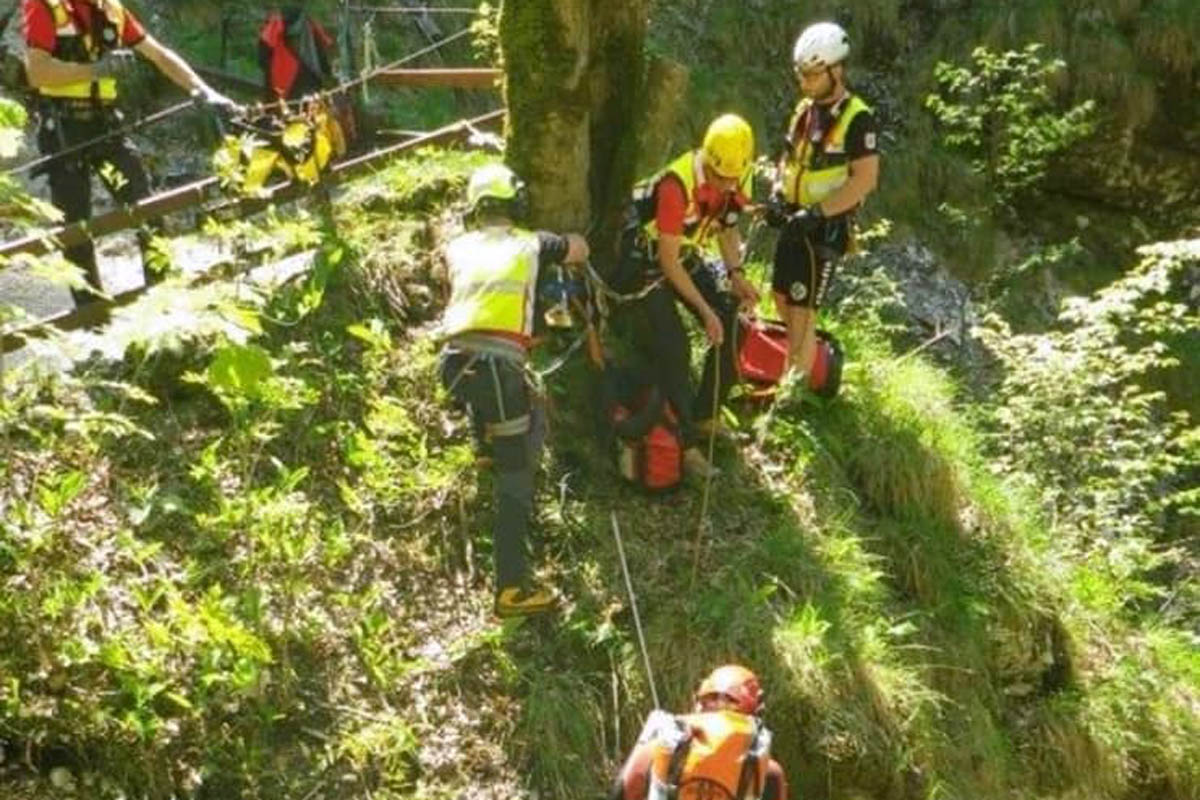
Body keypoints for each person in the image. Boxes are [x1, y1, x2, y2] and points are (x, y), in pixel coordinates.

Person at [437, 163, 589, 618]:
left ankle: (482, 443)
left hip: (452, 364)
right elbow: (580, 249)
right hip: (496, 371)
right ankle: (510, 589)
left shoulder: (456, 246)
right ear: (514, 204)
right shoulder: (531, 243)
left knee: (497, 405)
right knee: (517, 474)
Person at [22, 0, 235, 307]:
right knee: (75, 226)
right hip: (63, 131)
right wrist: (96, 69)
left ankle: (162, 298)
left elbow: (158, 54)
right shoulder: (45, 6)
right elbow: (37, 71)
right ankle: (91, 317)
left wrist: (202, 90)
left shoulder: (112, 10)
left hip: (106, 125)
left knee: (146, 205)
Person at [616, 114, 761, 478]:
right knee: (675, 346)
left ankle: (707, 414)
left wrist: (735, 274)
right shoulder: (674, 186)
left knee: (735, 322)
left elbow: (727, 226)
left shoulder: (739, 173)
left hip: (685, 254)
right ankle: (686, 446)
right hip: (647, 262)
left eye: (733, 178)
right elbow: (667, 260)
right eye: (718, 177)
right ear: (706, 159)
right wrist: (703, 310)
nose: (727, 184)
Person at [766, 21, 879, 386]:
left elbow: (865, 178)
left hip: (825, 227)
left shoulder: (858, 118)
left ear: (836, 70)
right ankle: (803, 364)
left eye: (813, 75)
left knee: (802, 309)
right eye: (802, 75)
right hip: (794, 219)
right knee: (781, 297)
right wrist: (776, 193)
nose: (806, 83)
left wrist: (817, 213)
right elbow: (787, 158)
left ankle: (793, 388)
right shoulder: (804, 110)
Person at [610, 664, 789, 800]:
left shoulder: (660, 746)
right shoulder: (769, 771)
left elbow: (621, 793)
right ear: (754, 713)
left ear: (699, 704)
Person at [258, 5, 334, 102]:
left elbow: (262, 59)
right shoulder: (310, 26)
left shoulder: (273, 27)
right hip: (309, 83)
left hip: (280, 87)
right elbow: (323, 59)